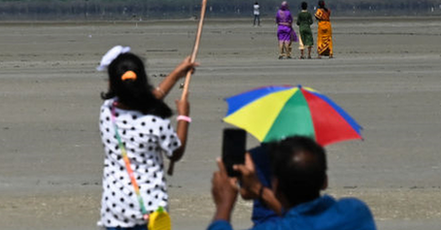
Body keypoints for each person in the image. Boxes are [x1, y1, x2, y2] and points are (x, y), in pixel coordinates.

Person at [98, 51, 192, 230]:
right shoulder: (154, 121)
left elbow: (146, 100)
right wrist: (184, 117)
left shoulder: (107, 112)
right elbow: (175, 151)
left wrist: (176, 74)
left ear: (112, 84)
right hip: (149, 212)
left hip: (114, 209)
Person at [208, 135, 376, 229]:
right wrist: (260, 190)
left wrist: (224, 206)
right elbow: (303, 218)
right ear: (324, 181)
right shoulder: (354, 213)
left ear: (276, 184)